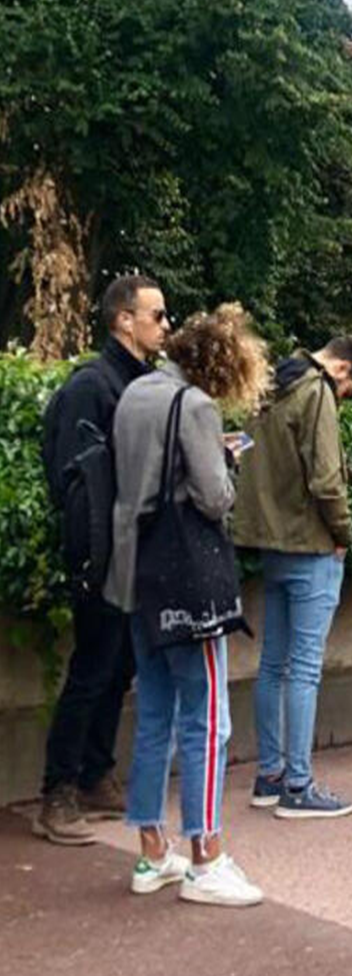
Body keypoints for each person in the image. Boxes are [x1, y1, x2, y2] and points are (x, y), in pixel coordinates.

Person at [110, 304, 268, 907]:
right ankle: (207, 856)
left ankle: (152, 853)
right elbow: (213, 498)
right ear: (219, 363)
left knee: (153, 713)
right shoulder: (196, 407)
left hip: (136, 575)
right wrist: (226, 459)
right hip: (188, 581)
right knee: (208, 720)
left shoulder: (134, 394)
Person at [34, 274, 167, 846]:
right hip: (103, 552)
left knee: (118, 667)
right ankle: (57, 791)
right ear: (123, 320)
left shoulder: (139, 381)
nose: (166, 324)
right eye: (157, 315)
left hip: (132, 548)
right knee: (93, 667)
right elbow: (77, 476)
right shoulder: (94, 384)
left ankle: (93, 774)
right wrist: (93, 550)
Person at [233, 335, 352, 820]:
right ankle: (298, 784)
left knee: (273, 664)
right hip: (311, 543)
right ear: (342, 369)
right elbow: (325, 478)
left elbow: (246, 455)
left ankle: (269, 775)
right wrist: (344, 533)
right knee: (306, 668)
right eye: (349, 390)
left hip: (270, 543)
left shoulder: (270, 384)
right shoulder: (316, 392)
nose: (344, 398)